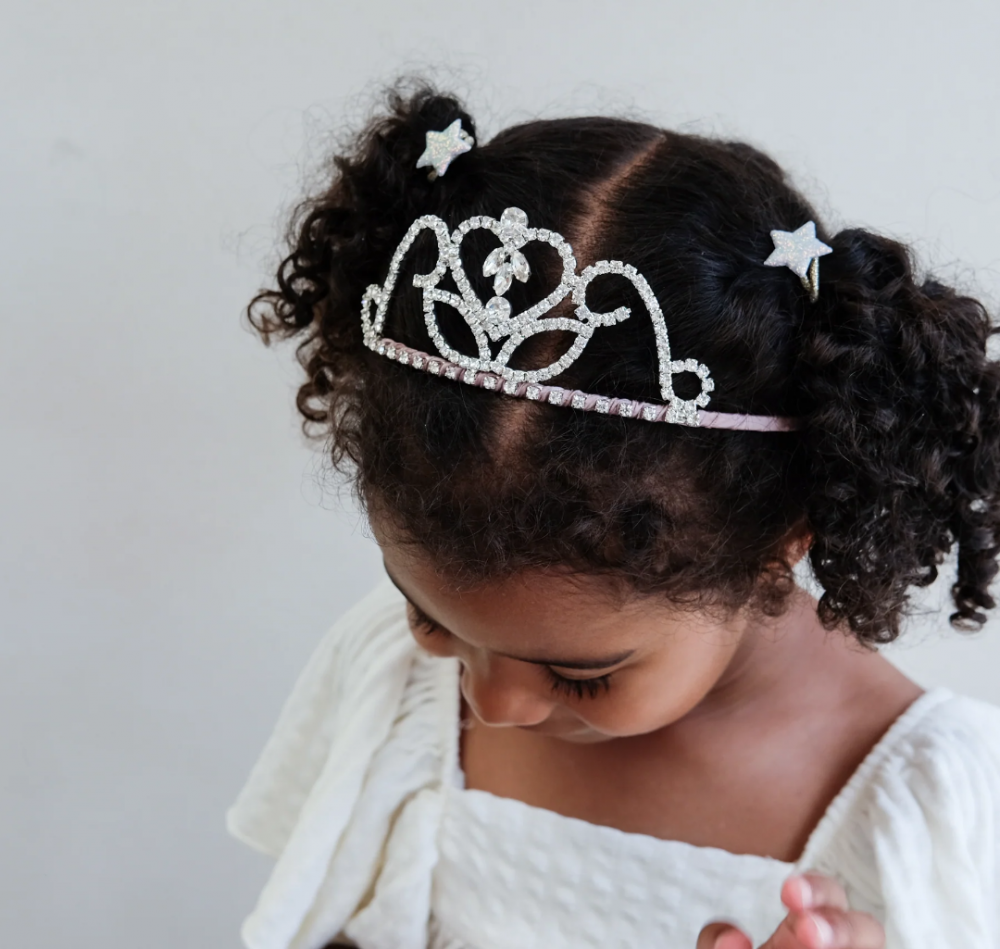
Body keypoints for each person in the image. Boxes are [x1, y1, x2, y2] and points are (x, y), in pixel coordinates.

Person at [227, 85, 1000, 949]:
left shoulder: (927, 809)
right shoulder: (397, 681)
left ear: (781, 542)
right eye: (427, 615)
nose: (490, 703)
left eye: (580, 676)